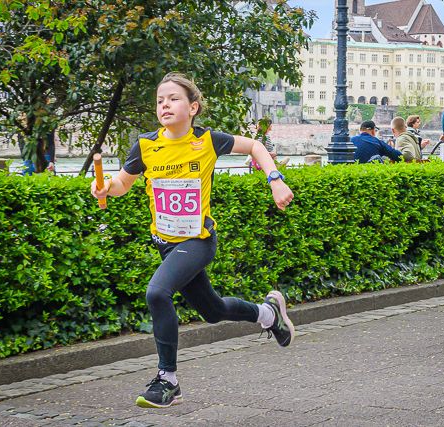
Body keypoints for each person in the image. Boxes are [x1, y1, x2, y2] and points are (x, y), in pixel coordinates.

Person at [90, 72, 296, 408]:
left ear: (193, 107)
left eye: (173, 99)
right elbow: (122, 184)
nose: (165, 105)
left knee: (157, 293)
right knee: (212, 310)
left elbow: (255, 146)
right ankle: (268, 314)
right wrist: (104, 188)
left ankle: (167, 380)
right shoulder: (145, 145)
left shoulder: (207, 140)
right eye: (160, 100)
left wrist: (275, 179)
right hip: (167, 245)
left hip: (198, 241)